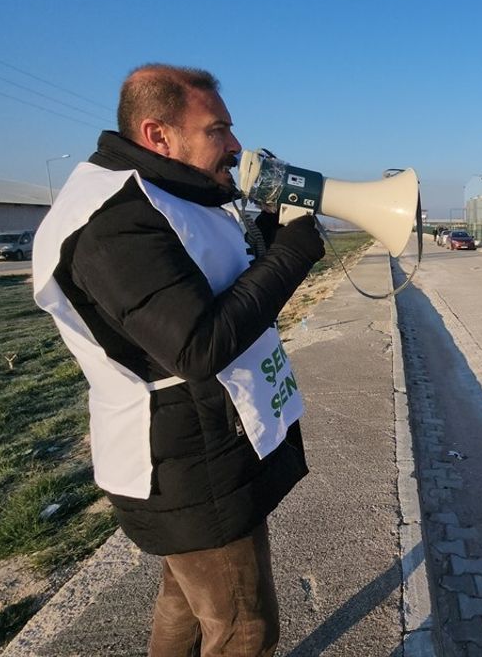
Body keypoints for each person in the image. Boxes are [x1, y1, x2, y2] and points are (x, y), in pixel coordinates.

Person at [31, 65, 325, 656]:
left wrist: (268, 234)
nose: (236, 146)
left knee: (187, 599)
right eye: (218, 130)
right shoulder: (113, 220)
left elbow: (212, 282)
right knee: (244, 627)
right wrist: (292, 256)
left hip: (198, 445)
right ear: (157, 134)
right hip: (184, 456)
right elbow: (196, 345)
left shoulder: (162, 194)